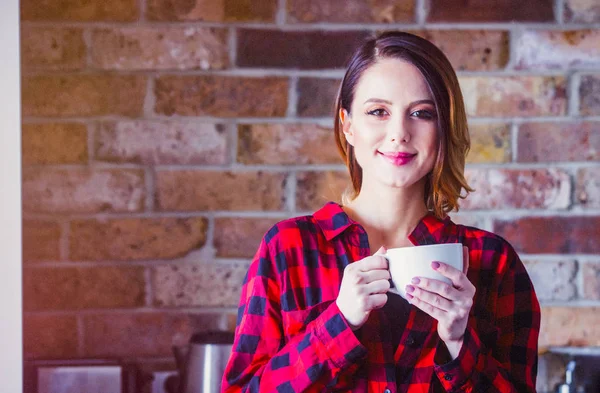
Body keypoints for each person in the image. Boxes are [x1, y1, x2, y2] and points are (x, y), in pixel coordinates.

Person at [221, 31, 540, 393]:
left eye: (421, 113)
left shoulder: (492, 261)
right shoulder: (288, 249)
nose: (399, 133)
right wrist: (337, 324)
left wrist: (459, 343)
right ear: (348, 126)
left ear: (444, 127)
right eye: (378, 112)